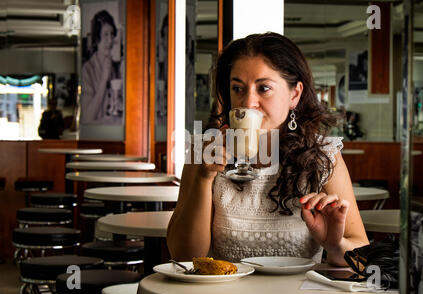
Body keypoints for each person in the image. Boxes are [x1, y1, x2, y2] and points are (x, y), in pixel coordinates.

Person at [167, 33, 369, 266]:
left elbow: (362, 258)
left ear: (294, 94)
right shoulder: (204, 151)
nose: (248, 102)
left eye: (263, 88)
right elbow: (182, 256)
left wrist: (334, 246)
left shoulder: (322, 155)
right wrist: (204, 178)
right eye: (237, 88)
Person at [81, 10, 123, 124]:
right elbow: (87, 117)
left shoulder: (115, 68)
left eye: (112, 34)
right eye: (105, 34)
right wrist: (104, 79)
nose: (110, 40)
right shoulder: (87, 70)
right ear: (96, 38)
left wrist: (119, 102)